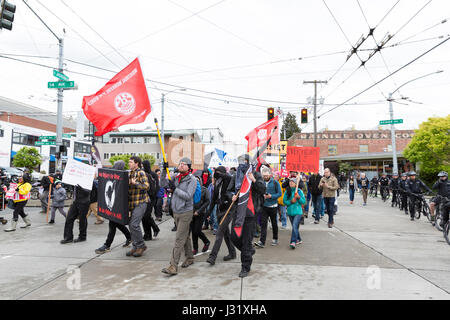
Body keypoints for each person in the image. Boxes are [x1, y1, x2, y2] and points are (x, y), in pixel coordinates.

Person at [230, 155, 266, 278]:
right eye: (240, 161)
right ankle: (250, 251)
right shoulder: (236, 176)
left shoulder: (256, 174)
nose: (242, 164)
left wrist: (254, 180)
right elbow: (229, 190)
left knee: (246, 241)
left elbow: (262, 189)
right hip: (238, 212)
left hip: (250, 213)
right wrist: (232, 196)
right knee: (234, 237)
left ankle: (245, 266)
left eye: (244, 162)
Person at [162, 157, 197, 276]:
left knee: (179, 238)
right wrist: (163, 170)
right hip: (176, 211)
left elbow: (188, 196)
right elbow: (162, 184)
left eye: (184, 164)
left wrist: (174, 189)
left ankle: (173, 265)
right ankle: (190, 257)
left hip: (186, 212)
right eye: (180, 163)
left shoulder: (192, 180)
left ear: (189, 167)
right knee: (185, 236)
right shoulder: (175, 177)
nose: (181, 165)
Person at [94, 160, 131, 254]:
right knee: (117, 223)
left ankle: (107, 245)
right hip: (113, 204)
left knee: (113, 225)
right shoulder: (113, 174)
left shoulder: (124, 176)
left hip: (118, 205)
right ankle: (129, 237)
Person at [206, 166, 236, 265]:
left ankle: (212, 256)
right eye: (216, 173)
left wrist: (221, 174)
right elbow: (214, 200)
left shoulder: (228, 181)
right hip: (220, 210)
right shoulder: (217, 184)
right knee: (226, 233)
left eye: (219, 173)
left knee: (219, 233)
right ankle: (232, 253)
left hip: (229, 210)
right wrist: (208, 213)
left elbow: (229, 178)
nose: (217, 174)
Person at [126, 156, 150, 257]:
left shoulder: (141, 172)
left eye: (131, 162)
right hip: (132, 203)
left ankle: (141, 246)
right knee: (131, 225)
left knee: (134, 224)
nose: (129, 164)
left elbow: (146, 186)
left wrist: (136, 183)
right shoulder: (129, 173)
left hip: (141, 202)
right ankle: (135, 246)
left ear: (137, 163)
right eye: (129, 162)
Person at [254, 167, 281, 248]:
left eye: (266, 175)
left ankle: (275, 238)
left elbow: (279, 194)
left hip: (273, 206)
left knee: (274, 224)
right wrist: (262, 196)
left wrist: (271, 196)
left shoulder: (275, 182)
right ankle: (262, 241)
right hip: (264, 206)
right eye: (264, 176)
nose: (265, 177)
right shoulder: (261, 182)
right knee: (263, 224)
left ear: (270, 175)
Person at [283, 177, 306, 249]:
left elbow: (304, 202)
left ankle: (293, 241)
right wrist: (290, 202)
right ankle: (299, 239)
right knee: (294, 227)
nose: (291, 183)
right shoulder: (287, 191)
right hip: (290, 212)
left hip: (298, 212)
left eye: (292, 182)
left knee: (295, 225)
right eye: (290, 182)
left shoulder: (299, 191)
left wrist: (298, 198)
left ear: (296, 184)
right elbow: (284, 201)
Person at [191, 176, 210, 255]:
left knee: (197, 231)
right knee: (193, 232)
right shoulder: (190, 190)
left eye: (197, 180)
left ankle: (206, 242)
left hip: (200, 213)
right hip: (191, 213)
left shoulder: (204, 190)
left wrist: (199, 211)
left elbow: (207, 201)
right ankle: (195, 248)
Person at [142, 160, 160, 241]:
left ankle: (155, 228)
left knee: (146, 215)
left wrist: (153, 195)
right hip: (143, 198)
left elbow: (157, 187)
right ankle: (147, 234)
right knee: (144, 217)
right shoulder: (142, 174)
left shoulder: (153, 174)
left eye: (143, 165)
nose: (142, 167)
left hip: (151, 198)